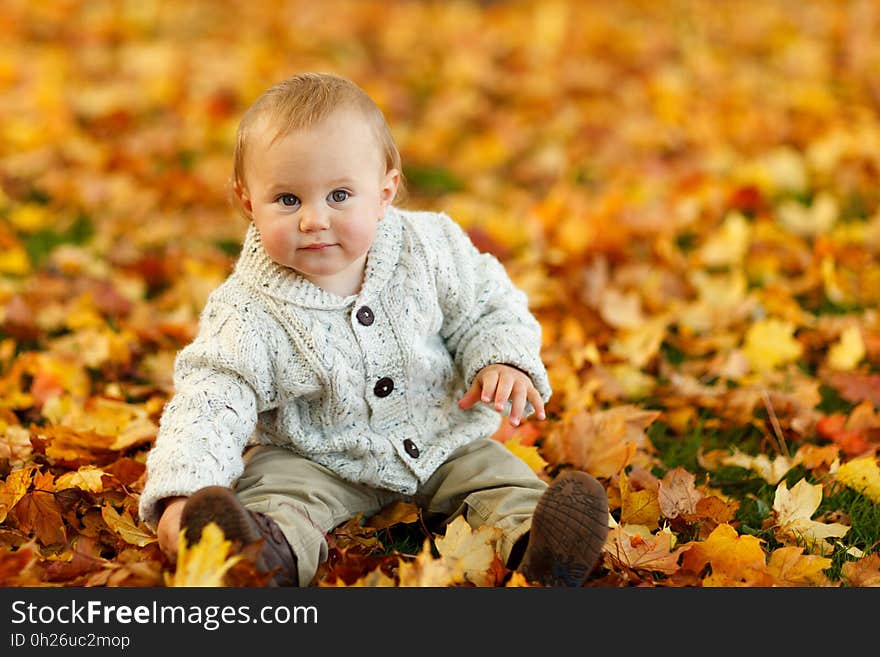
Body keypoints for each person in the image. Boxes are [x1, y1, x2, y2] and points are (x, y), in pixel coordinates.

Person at [137, 72, 609, 587]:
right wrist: (183, 491)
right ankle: (256, 556)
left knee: (498, 482)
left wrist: (502, 358)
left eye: (339, 195)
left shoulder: (430, 247)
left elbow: (488, 305)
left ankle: (538, 546)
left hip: (442, 437)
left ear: (384, 193)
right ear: (248, 202)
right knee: (278, 497)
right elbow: (211, 399)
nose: (314, 220)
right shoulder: (247, 310)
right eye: (288, 200)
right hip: (315, 457)